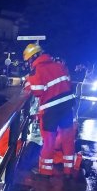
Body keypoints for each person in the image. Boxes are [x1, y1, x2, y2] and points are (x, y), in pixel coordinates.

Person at [23, 43, 76, 178]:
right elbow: (68, 84)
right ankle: (68, 171)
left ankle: (45, 172)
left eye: (29, 60)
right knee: (67, 139)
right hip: (67, 107)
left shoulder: (36, 71)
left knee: (49, 141)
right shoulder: (59, 65)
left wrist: (28, 81)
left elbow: (38, 92)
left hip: (50, 110)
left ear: (32, 58)